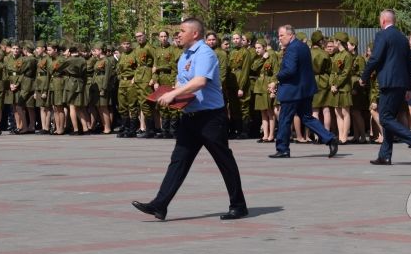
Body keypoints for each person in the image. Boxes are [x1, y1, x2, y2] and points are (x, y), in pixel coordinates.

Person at [132, 18, 248, 221]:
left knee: (224, 160)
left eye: (182, 30)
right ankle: (160, 205)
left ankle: (238, 205)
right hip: (190, 116)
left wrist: (173, 95)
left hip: (210, 118)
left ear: (195, 34)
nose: (178, 34)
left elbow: (200, 81)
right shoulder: (185, 54)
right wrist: (171, 91)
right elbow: (183, 80)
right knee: (178, 160)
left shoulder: (205, 53)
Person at [359, 9, 411, 165]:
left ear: (383, 21)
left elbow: (375, 58)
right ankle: (385, 155)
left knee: (385, 118)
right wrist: (408, 87)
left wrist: (364, 76)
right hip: (401, 83)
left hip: (389, 82)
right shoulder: (403, 38)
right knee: (389, 117)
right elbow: (409, 63)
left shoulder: (382, 35)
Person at [268, 25, 338, 159]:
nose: (279, 39)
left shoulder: (292, 49)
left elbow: (290, 70)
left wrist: (276, 79)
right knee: (306, 117)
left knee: (284, 119)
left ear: (290, 35)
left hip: (292, 91)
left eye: (281, 35)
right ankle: (329, 138)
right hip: (304, 90)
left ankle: (282, 149)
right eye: (279, 36)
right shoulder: (303, 46)